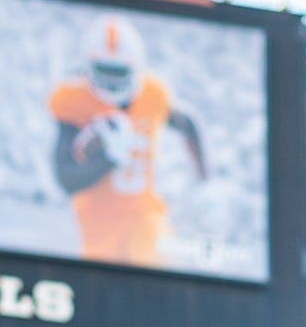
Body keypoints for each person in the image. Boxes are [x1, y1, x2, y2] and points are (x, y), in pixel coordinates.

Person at [50, 13, 205, 267]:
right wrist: (108, 160)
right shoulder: (72, 101)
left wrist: (204, 181)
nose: (111, 81)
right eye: (104, 70)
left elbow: (189, 123)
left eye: (119, 71)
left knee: (154, 267)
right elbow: (66, 178)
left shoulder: (153, 94)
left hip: (144, 214)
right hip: (98, 224)